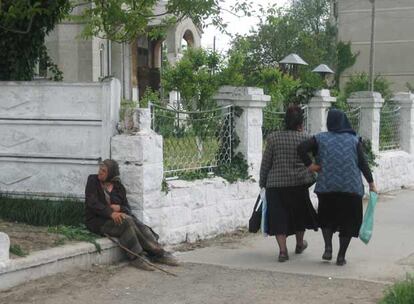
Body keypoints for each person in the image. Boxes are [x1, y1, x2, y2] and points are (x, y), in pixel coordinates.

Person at [297, 109, 377, 266]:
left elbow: (301, 148)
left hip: (327, 188)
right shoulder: (354, 140)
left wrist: (311, 165)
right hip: (351, 189)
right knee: (349, 222)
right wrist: (371, 183)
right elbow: (362, 163)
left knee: (327, 218)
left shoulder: (320, 139)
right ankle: (341, 256)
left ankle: (328, 247)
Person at [85, 159, 179, 271]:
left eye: (104, 171)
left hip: (118, 220)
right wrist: (111, 213)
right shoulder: (92, 181)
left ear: (111, 174)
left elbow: (127, 209)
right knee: (127, 221)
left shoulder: (119, 187)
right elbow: (92, 203)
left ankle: (159, 254)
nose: (100, 172)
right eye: (100, 169)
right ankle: (141, 257)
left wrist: (119, 208)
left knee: (138, 224)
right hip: (98, 221)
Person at [259, 105, 318, 262]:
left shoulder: (273, 138)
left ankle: (283, 251)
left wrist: (263, 182)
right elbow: (312, 162)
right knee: (299, 216)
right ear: (301, 122)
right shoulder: (306, 138)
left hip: (275, 185)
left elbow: (266, 163)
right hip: (299, 184)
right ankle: (299, 244)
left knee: (279, 217)